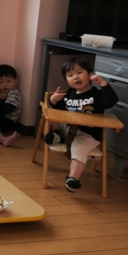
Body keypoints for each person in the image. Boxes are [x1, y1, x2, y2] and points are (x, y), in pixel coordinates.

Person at [46, 57, 118, 193]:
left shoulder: (96, 95)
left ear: (90, 75)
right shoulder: (69, 94)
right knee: (52, 116)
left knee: (78, 148)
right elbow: (59, 111)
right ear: (66, 80)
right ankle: (57, 135)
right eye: (70, 75)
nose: (75, 77)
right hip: (69, 128)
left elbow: (111, 101)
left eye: (79, 72)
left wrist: (103, 84)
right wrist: (53, 100)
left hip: (88, 133)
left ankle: (72, 179)